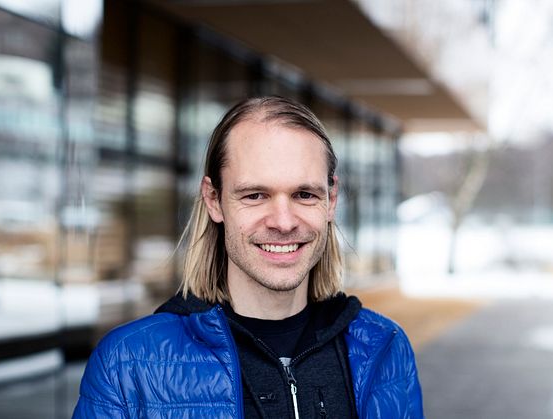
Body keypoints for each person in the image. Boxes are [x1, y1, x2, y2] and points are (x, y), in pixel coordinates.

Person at [72, 96, 424, 418]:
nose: (284, 222)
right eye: (255, 195)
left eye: (304, 194)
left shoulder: (385, 348)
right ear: (214, 200)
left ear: (330, 201)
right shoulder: (128, 363)